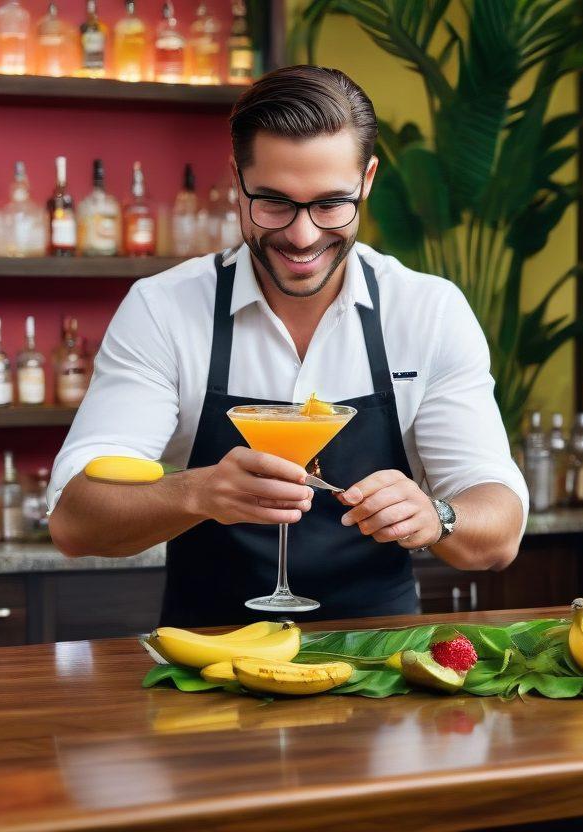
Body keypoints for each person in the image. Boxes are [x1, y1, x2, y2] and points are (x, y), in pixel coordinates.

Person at [49, 65, 528, 626]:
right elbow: (73, 522)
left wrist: (437, 517)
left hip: (382, 664)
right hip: (208, 663)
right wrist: (196, 493)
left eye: (330, 204)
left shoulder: (427, 311)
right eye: (274, 202)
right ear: (236, 180)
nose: (302, 237)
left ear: (367, 180)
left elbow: (498, 528)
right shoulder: (165, 309)